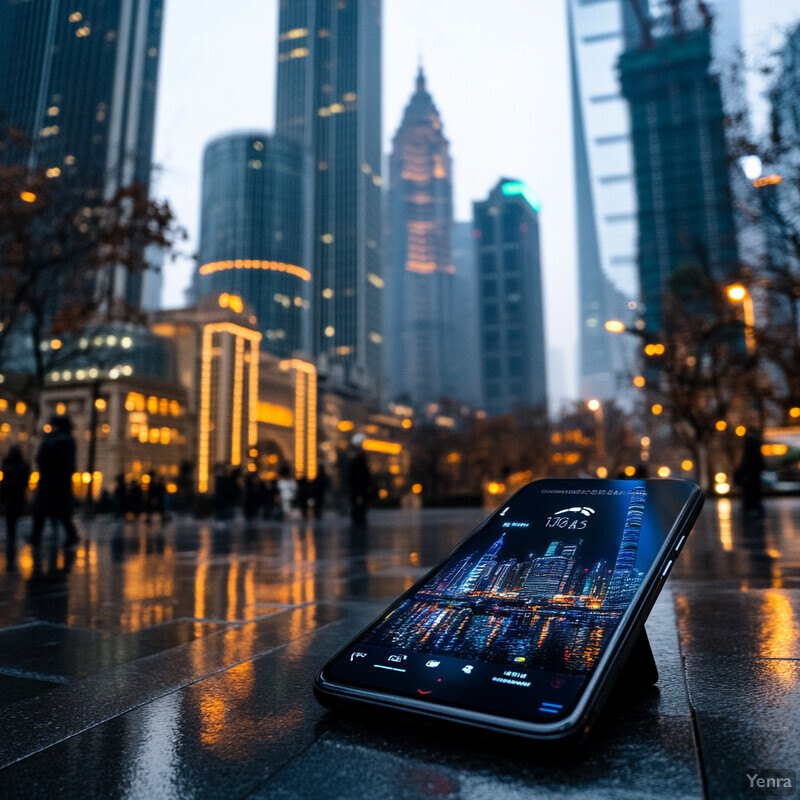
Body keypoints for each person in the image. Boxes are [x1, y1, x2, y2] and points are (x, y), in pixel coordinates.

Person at [30, 414, 79, 547]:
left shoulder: (59, 440)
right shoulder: (64, 439)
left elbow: (47, 458)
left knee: (48, 510)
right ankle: (37, 535)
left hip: (53, 480)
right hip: (55, 481)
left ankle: (37, 536)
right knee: (56, 511)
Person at [1, 446, 30, 550]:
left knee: (10, 516)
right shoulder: (22, 465)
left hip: (11, 493)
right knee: (12, 516)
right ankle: (11, 535)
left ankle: (11, 535)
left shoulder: (8, 464)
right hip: (15, 494)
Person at [735, 431, 764, 519]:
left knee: (751, 494)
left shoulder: (751, 448)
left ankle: (752, 508)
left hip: (750, 476)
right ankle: (752, 507)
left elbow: (752, 462)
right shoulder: (752, 447)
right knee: (751, 494)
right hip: (751, 476)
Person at [347, 434, 372, 526]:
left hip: (358, 488)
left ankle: (358, 522)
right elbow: (361, 476)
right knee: (359, 508)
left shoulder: (355, 459)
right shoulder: (359, 460)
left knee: (358, 508)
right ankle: (359, 522)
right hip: (359, 488)